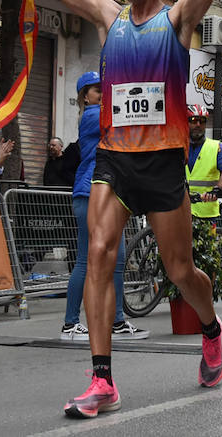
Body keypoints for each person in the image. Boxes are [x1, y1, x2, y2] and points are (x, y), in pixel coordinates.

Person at [0, 0, 222, 417]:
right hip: (115, 162)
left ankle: (211, 327)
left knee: (179, 271)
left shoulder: (177, 20)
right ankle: (102, 379)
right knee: (98, 254)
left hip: (163, 164)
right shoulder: (108, 16)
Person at [62, 71, 147, 343]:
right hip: (90, 193)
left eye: (104, 88)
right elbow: (126, 121)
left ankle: (117, 321)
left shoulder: (104, 113)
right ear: (85, 96)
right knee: (86, 261)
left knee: (118, 261)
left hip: (110, 194)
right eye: (97, 89)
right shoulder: (92, 116)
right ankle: (70, 324)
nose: (102, 92)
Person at [186, 103, 222, 220]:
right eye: (193, 120)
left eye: (202, 121)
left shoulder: (216, 146)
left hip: (206, 211)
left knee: (208, 238)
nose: (198, 124)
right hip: (182, 208)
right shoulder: (179, 145)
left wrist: (217, 190)